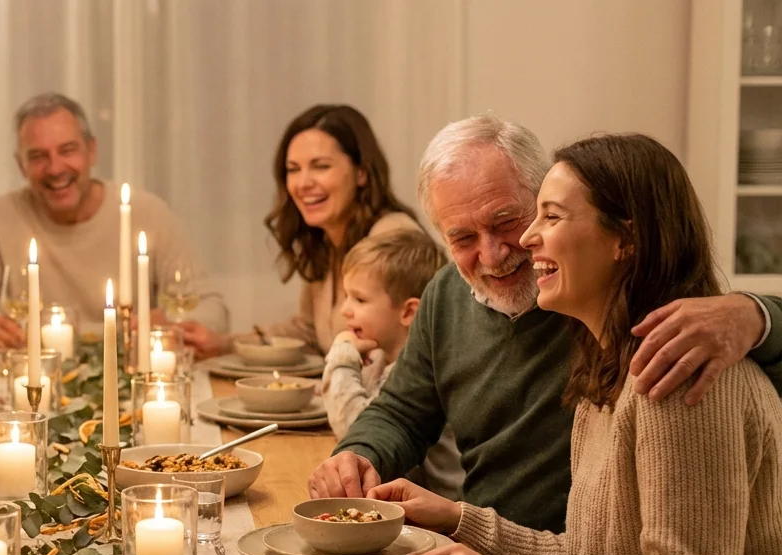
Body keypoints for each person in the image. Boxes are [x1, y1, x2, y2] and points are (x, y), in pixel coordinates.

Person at [326, 133, 781, 555]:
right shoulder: (604, 366)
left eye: (544, 217)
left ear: (626, 239)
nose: (526, 241)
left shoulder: (681, 378)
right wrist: (458, 520)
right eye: (532, 216)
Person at [306, 114, 782, 533]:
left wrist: (754, 313)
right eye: (463, 237)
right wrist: (358, 455)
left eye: (508, 220)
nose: (493, 254)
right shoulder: (446, 294)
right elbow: (404, 411)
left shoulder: (613, 304)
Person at [0, 92, 228, 350]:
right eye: (38, 156)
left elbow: (213, 309)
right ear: (20, 165)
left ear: (92, 151)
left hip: (131, 375)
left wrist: (174, 321)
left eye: (67, 150)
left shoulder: (148, 213)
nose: (55, 168)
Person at [181, 104, 421, 360]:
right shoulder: (325, 240)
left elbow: (416, 348)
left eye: (321, 166)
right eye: (293, 169)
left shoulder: (392, 239)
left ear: (361, 173)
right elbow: (309, 332)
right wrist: (224, 344)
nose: (303, 183)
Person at [322, 228, 462, 499]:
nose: (345, 310)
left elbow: (352, 426)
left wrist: (341, 357)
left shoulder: (410, 370)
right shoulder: (378, 357)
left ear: (408, 312)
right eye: (346, 296)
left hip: (442, 512)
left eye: (359, 299)